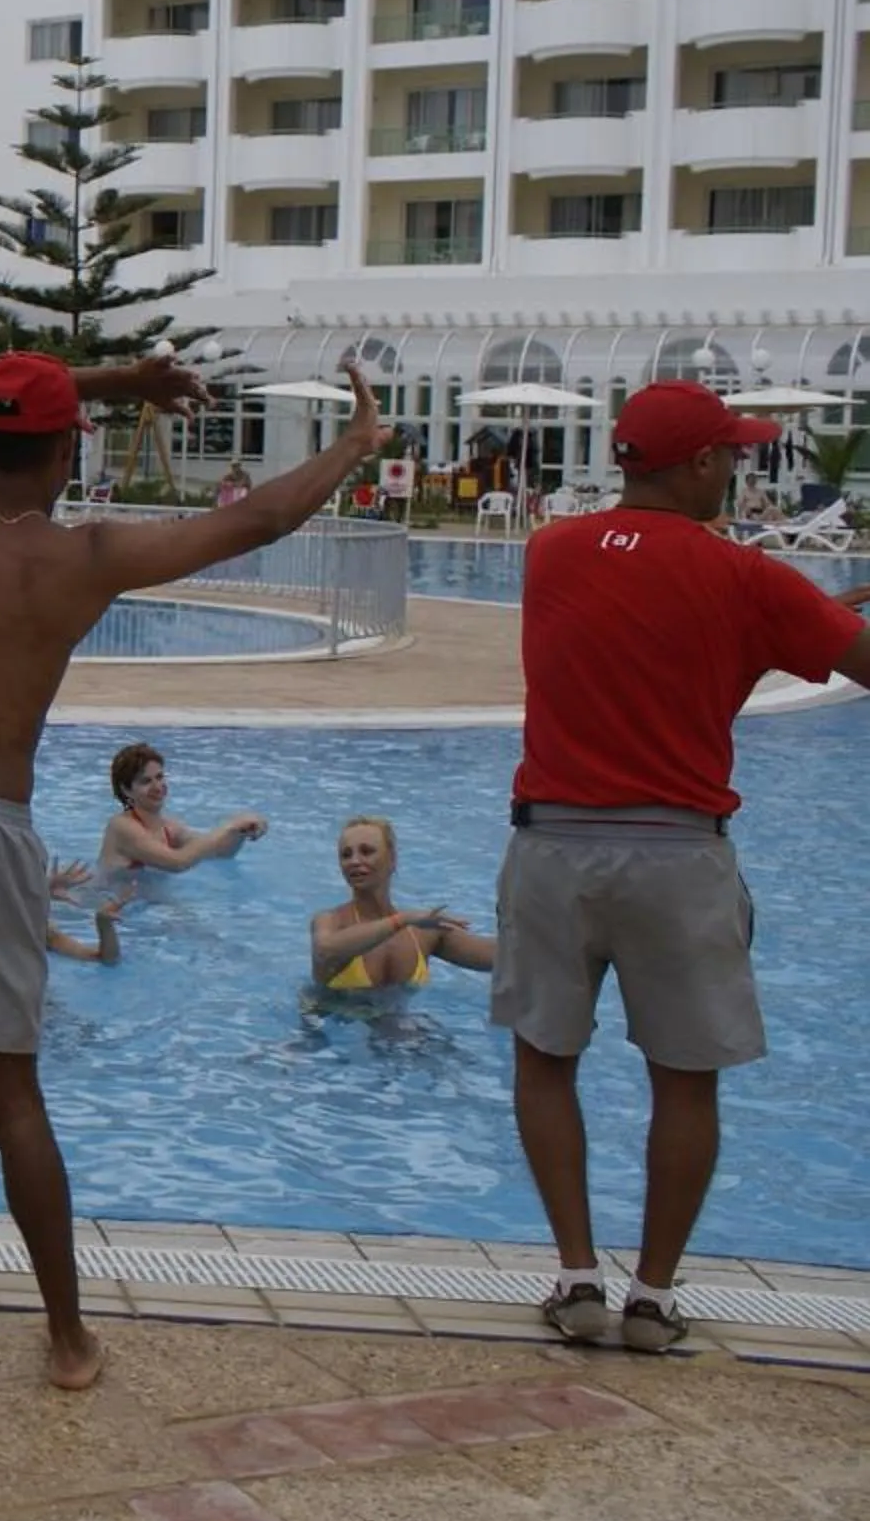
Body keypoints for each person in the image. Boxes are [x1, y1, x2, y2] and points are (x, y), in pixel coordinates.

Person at [0, 351, 385, 1393]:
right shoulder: (86, 557)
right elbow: (259, 521)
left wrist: (112, 380)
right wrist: (353, 444)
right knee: (12, 1097)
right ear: (68, 452)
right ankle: (67, 1341)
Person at [492, 380, 870, 1353]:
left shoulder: (549, 552)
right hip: (677, 852)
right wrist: (797, 621)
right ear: (700, 462)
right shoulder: (746, 578)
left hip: (551, 843)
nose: (737, 468)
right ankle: (653, 1300)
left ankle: (577, 1278)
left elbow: (639, 634)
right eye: (731, 455)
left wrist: (775, 627)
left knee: (544, 1059)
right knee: (686, 1080)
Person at [310, 816, 494, 991]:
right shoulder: (330, 921)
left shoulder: (423, 931)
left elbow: (498, 958)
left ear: (392, 859)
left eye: (366, 852)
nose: (355, 861)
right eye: (346, 855)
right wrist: (402, 920)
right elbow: (325, 951)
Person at [96, 743, 266, 886]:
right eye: (146, 781)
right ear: (126, 790)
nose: (157, 787)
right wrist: (230, 825)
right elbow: (177, 862)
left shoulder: (170, 828)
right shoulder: (122, 827)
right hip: (106, 905)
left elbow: (220, 853)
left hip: (145, 904)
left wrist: (241, 831)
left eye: (159, 777)